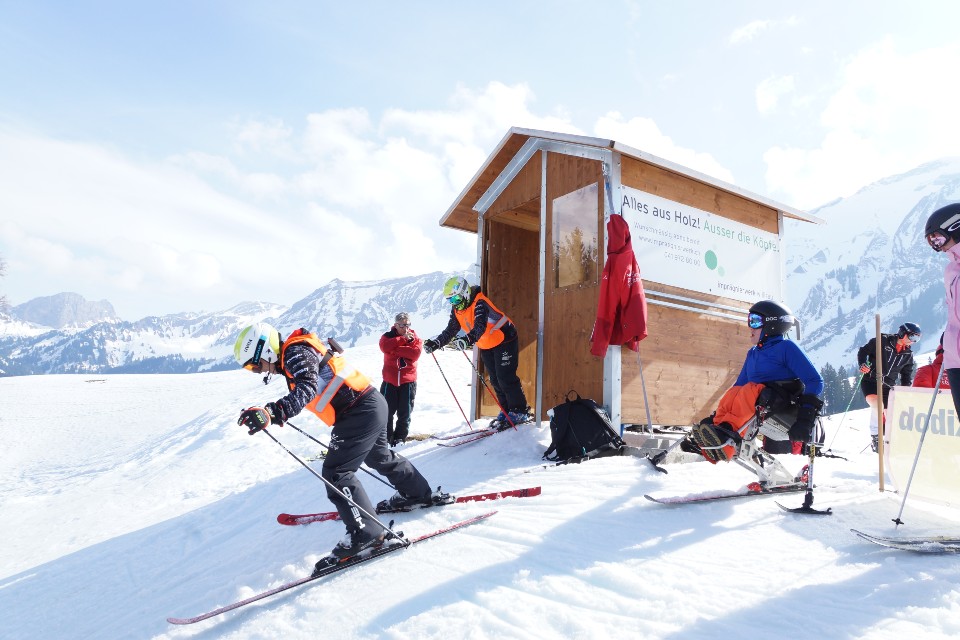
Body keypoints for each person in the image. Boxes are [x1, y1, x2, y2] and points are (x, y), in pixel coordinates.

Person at [233, 322, 448, 568]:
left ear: (266, 350)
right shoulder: (293, 354)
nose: (257, 371)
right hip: (368, 404)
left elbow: (307, 387)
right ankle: (418, 493)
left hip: (358, 410)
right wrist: (273, 412)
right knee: (379, 456)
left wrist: (273, 411)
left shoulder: (294, 353)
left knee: (336, 472)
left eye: (255, 364)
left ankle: (367, 532)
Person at [690, 300, 824, 466]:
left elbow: (815, 380)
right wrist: (715, 417)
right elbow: (738, 389)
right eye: (749, 321)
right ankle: (714, 435)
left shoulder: (785, 348)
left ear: (771, 325)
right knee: (734, 392)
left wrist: (806, 417)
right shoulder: (752, 353)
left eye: (755, 322)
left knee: (751, 390)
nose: (750, 327)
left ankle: (725, 438)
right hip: (761, 408)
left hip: (783, 409)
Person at [423, 276, 530, 429]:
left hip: (505, 337)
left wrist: (467, 340)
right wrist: (436, 343)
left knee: (505, 376)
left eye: (456, 299)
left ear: (465, 293)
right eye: (450, 301)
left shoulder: (479, 303)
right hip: (487, 342)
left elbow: (479, 327)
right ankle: (507, 411)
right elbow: (451, 330)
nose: (455, 304)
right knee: (494, 379)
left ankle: (519, 410)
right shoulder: (457, 309)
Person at [856, 322, 920, 452]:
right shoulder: (882, 341)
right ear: (902, 333)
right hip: (871, 381)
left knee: (892, 412)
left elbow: (906, 375)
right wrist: (862, 364)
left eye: (917, 339)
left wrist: (905, 390)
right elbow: (863, 351)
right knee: (877, 405)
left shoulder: (908, 355)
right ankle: (876, 436)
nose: (913, 341)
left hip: (888, 386)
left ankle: (891, 438)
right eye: (912, 337)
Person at [924, 203, 960, 419]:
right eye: (931, 242)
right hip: (955, 361)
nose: (937, 247)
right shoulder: (951, 271)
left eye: (937, 238)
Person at [379, 312, 422, 446]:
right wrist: (402, 340)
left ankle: (399, 439)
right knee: (386, 412)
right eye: (402, 325)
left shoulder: (415, 338)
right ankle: (386, 438)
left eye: (408, 325)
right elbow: (384, 347)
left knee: (405, 413)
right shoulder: (387, 337)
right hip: (389, 382)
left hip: (407, 382)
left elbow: (415, 354)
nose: (406, 328)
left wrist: (394, 350)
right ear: (396, 325)